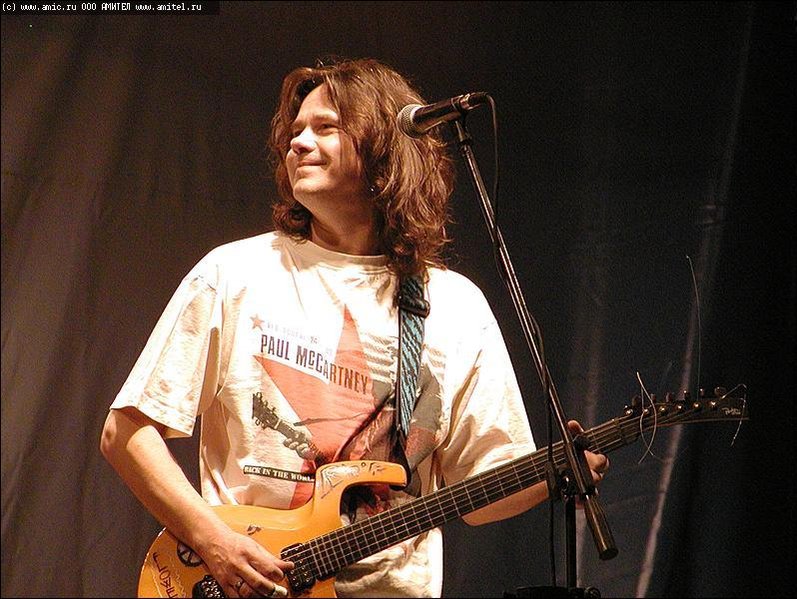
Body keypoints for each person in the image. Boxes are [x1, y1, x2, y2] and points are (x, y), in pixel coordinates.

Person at [100, 57, 609, 599]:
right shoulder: (235, 274)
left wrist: (554, 474)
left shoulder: (455, 306)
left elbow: (481, 493)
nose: (298, 143)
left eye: (325, 127)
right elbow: (125, 432)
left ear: (386, 149)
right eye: (295, 130)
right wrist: (213, 540)